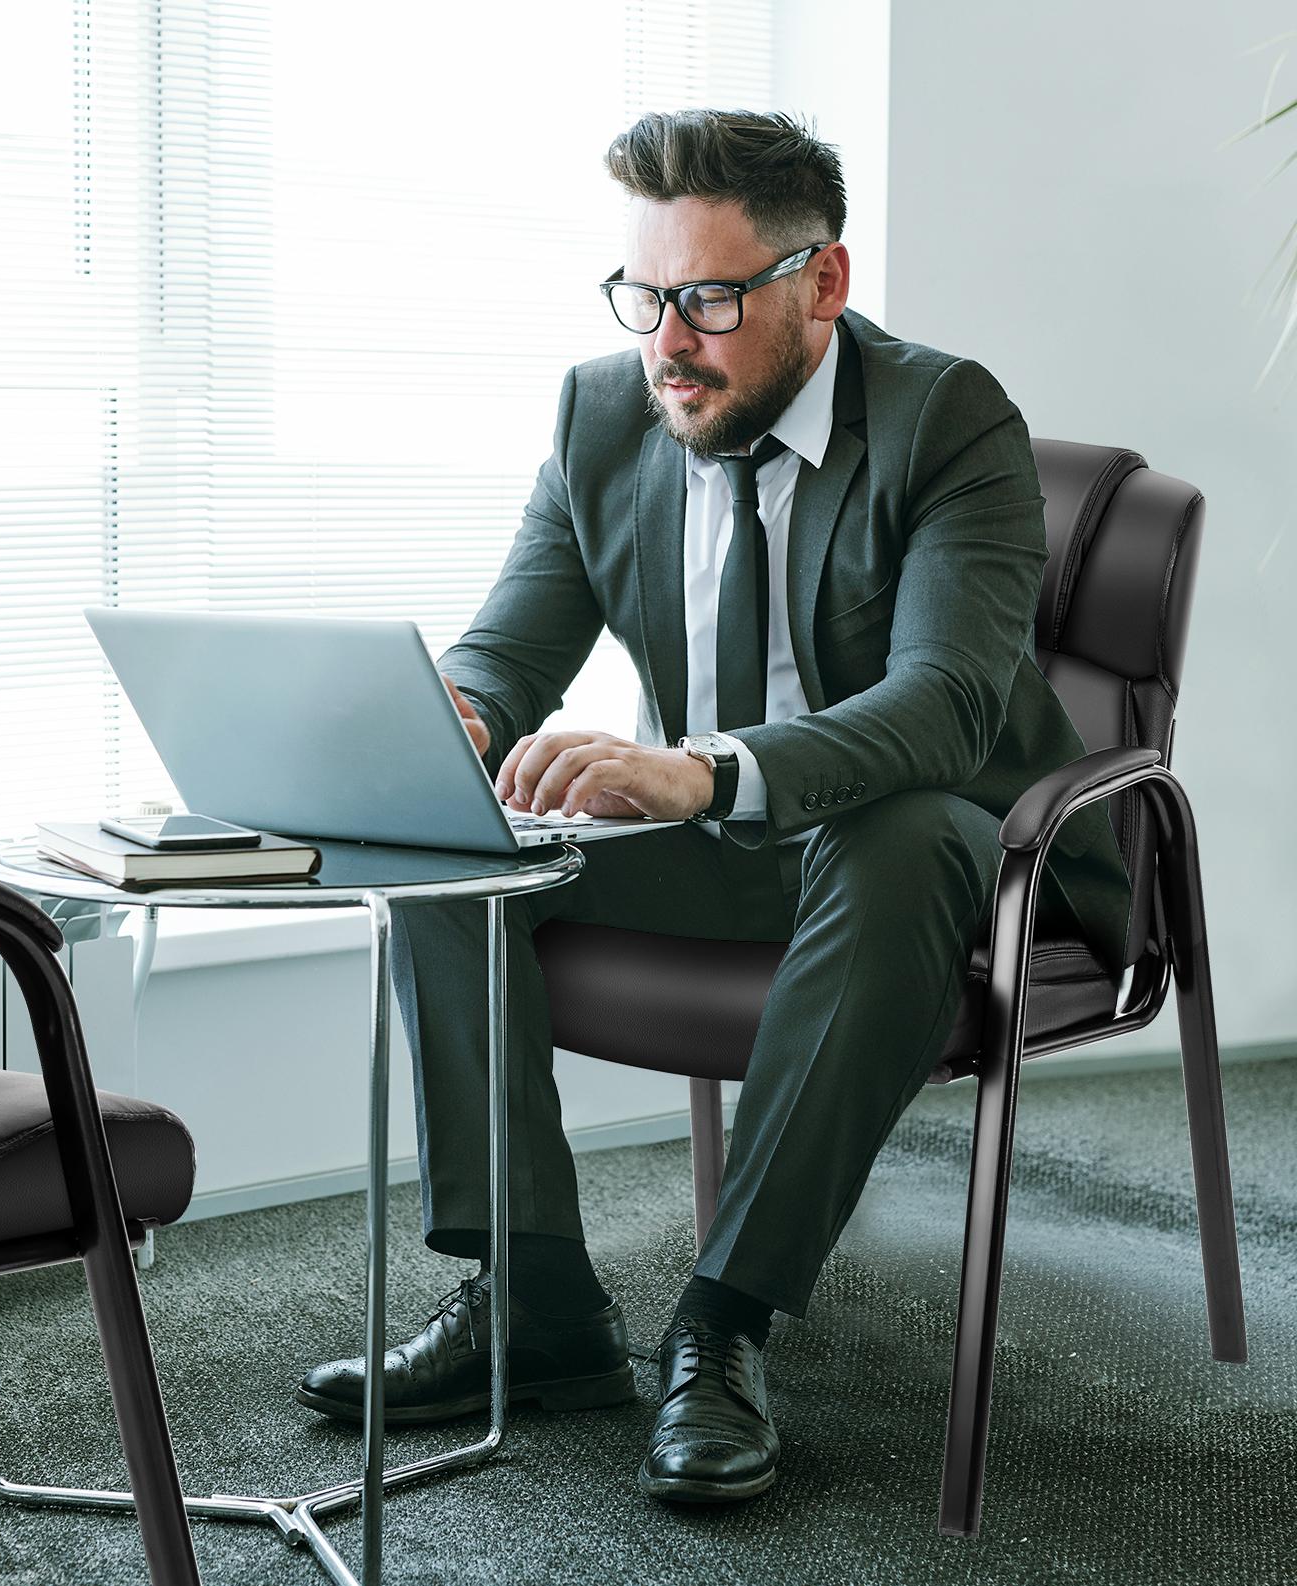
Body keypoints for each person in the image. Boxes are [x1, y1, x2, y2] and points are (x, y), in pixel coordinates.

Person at [297, 108, 1133, 1505]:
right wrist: (457, 718)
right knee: (446, 847)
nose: (668, 342)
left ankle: (723, 1324)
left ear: (823, 283)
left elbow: (946, 707)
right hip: (721, 848)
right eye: (643, 296)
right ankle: (535, 1302)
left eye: (710, 300)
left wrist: (705, 767)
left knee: (893, 834)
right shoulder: (603, 412)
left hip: (949, 856)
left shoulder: (946, 422)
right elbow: (510, 650)